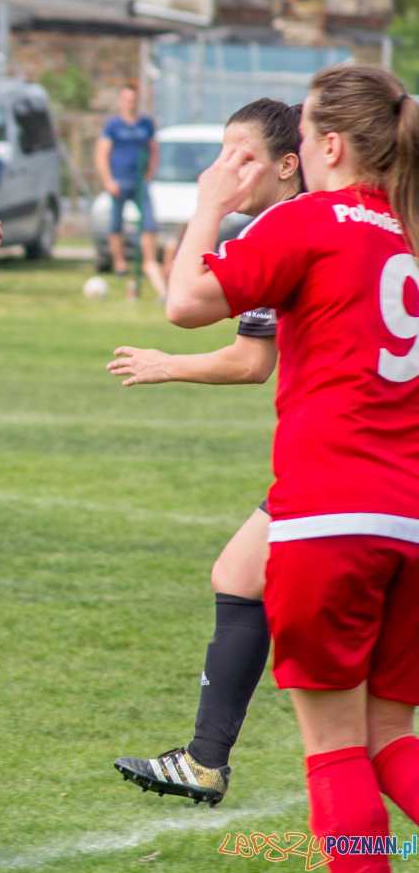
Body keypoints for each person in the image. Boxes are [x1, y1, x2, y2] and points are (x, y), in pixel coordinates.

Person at [164, 65, 419, 872]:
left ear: (331, 144)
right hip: (410, 516)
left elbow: (185, 301)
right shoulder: (410, 230)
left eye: (304, 135)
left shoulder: (308, 219)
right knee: (390, 740)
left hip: (331, 512)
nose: (299, 150)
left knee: (336, 749)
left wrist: (209, 203)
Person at [105, 100, 303, 806]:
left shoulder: (287, 227)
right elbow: (256, 357)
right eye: (222, 155)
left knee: (354, 713)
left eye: (242, 157)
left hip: (353, 453)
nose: (225, 169)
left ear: (290, 164)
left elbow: (189, 306)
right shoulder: (349, 219)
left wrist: (207, 208)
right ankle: (204, 759)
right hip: (359, 451)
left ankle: (208, 760)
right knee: (240, 573)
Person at [96, 84, 167, 299]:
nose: (131, 103)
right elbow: (102, 153)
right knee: (115, 223)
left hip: (139, 183)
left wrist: (150, 173)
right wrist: (108, 180)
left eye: (134, 99)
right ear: (121, 101)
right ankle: (120, 264)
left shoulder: (146, 124)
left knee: (149, 222)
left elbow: (154, 150)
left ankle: (149, 261)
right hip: (119, 181)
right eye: (127, 99)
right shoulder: (113, 125)